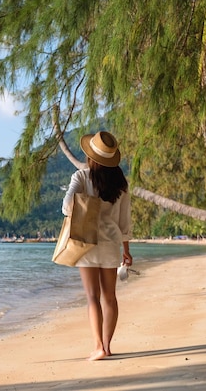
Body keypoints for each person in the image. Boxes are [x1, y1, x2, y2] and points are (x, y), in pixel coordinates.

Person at [62, 131, 132, 361]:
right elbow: (124, 222)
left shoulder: (81, 177)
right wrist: (127, 251)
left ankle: (98, 346)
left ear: (91, 156)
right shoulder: (121, 184)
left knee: (93, 297)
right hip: (111, 243)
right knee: (109, 297)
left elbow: (67, 207)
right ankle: (108, 346)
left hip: (87, 240)